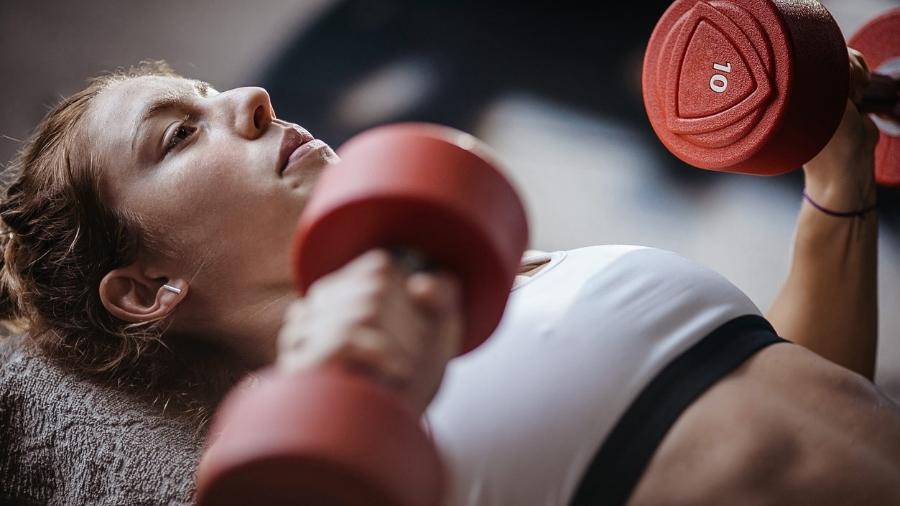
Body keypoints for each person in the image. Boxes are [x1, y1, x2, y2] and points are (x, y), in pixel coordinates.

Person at [0, 50, 896, 505]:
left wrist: (835, 184)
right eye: (180, 133)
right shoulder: (325, 466)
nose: (248, 100)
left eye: (207, 94)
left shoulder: (512, 274)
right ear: (146, 287)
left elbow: (802, 391)